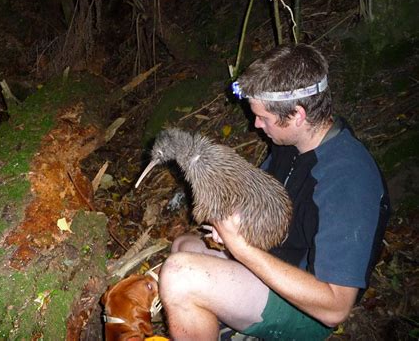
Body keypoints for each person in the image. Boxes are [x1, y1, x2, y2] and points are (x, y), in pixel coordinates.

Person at [157, 44, 390, 340]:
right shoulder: (290, 146)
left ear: (298, 115)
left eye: (263, 118)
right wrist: (236, 223)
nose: (256, 124)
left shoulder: (348, 180)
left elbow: (335, 307)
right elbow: (261, 204)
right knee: (184, 246)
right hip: (274, 262)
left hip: (307, 309)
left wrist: (241, 247)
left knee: (180, 275)